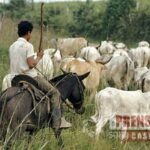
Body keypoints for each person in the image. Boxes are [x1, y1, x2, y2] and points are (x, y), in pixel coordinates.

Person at [9, 20, 71, 131]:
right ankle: (57, 122)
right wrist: (39, 56)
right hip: (30, 78)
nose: (30, 35)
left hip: (14, 78)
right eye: (31, 33)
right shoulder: (28, 45)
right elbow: (31, 64)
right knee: (55, 93)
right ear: (28, 32)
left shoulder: (12, 46)